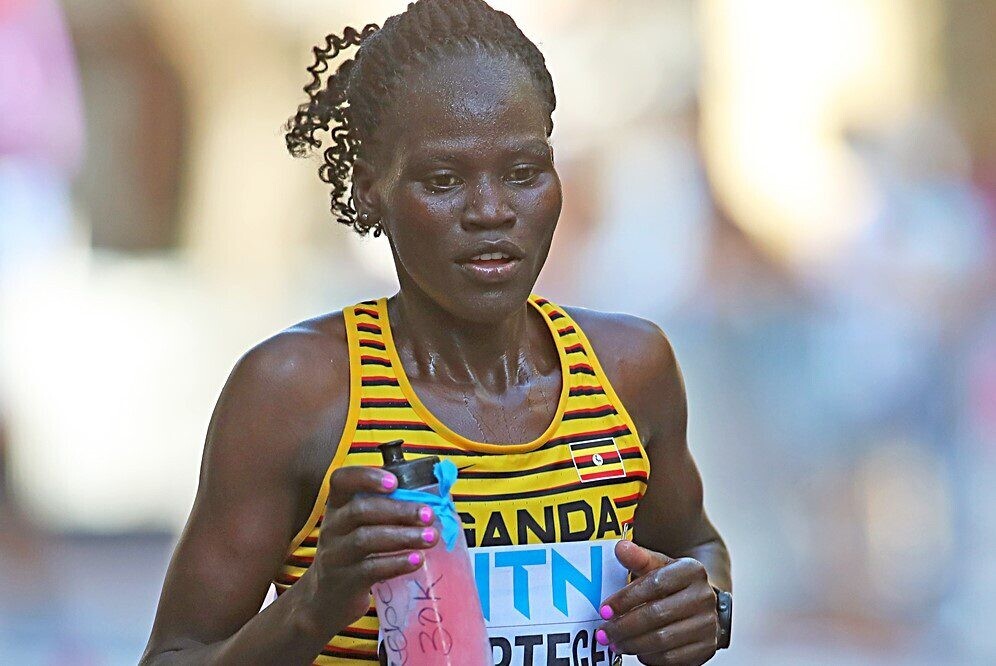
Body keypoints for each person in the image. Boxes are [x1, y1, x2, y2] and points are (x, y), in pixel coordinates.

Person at [141, 1, 731, 664]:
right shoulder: (298, 391)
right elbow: (173, 656)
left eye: (523, 173)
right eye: (444, 180)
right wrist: (316, 603)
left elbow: (695, 547)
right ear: (370, 190)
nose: (491, 211)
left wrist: (704, 607)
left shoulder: (629, 369)